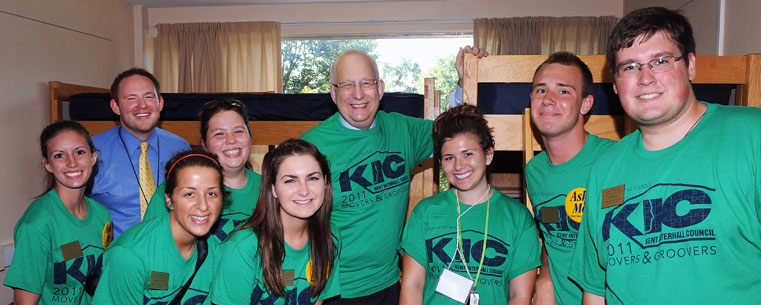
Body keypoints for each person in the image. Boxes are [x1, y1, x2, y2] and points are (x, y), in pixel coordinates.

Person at [569, 7, 761, 304]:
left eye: (660, 61)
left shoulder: (751, 136)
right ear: (616, 84)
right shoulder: (605, 168)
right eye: (630, 67)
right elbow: (595, 290)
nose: (645, 78)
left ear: (691, 66)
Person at [300, 49, 432, 304]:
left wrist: (465, 80)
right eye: (347, 84)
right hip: (333, 291)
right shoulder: (310, 147)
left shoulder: (403, 129)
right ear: (333, 93)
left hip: (390, 284)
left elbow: (457, 137)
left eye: (366, 83)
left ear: (380, 89)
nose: (358, 94)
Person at [399, 105, 540, 305]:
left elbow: (520, 296)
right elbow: (412, 287)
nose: (459, 166)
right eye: (449, 158)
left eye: (468, 154)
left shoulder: (518, 218)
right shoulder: (426, 212)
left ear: (489, 155)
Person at [524, 51, 616, 305]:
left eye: (564, 91)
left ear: (585, 104)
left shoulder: (614, 161)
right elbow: (552, 231)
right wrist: (545, 278)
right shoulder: (534, 171)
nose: (548, 100)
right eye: (540, 91)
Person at [210, 138, 340, 304]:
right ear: (273, 189)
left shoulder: (331, 236)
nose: (304, 190)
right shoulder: (243, 246)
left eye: (312, 178)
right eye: (290, 180)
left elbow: (318, 300)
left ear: (326, 183)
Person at [92, 150, 224, 304]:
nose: (203, 206)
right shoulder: (130, 256)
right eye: (189, 194)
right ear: (169, 200)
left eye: (212, 194)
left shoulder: (217, 251)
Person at [4, 121, 112, 305]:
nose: (72, 163)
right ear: (48, 165)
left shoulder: (102, 216)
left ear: (93, 157)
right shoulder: (37, 225)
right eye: (59, 155)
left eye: (79, 152)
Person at [144, 99, 262, 243]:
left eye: (238, 131)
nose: (231, 140)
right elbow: (149, 245)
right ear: (204, 144)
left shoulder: (270, 189)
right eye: (219, 134)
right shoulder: (175, 189)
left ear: (250, 138)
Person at [91, 68, 191, 238]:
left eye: (148, 96)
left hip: (172, 252)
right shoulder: (93, 151)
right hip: (118, 257)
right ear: (116, 106)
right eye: (131, 98)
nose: (142, 105)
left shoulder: (180, 147)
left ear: (160, 102)